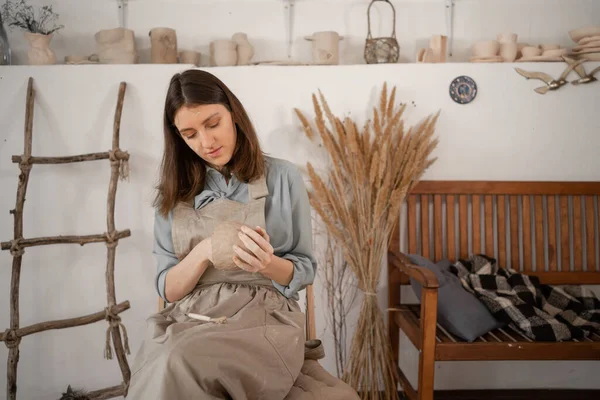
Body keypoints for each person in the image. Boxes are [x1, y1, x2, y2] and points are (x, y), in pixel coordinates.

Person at [126, 69, 317, 399]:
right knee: (171, 359)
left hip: (265, 318)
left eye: (213, 124)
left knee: (180, 360)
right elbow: (169, 289)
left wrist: (266, 264)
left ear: (234, 114)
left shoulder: (283, 177)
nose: (206, 142)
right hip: (192, 317)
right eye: (190, 134)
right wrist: (204, 251)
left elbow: (304, 269)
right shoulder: (173, 195)